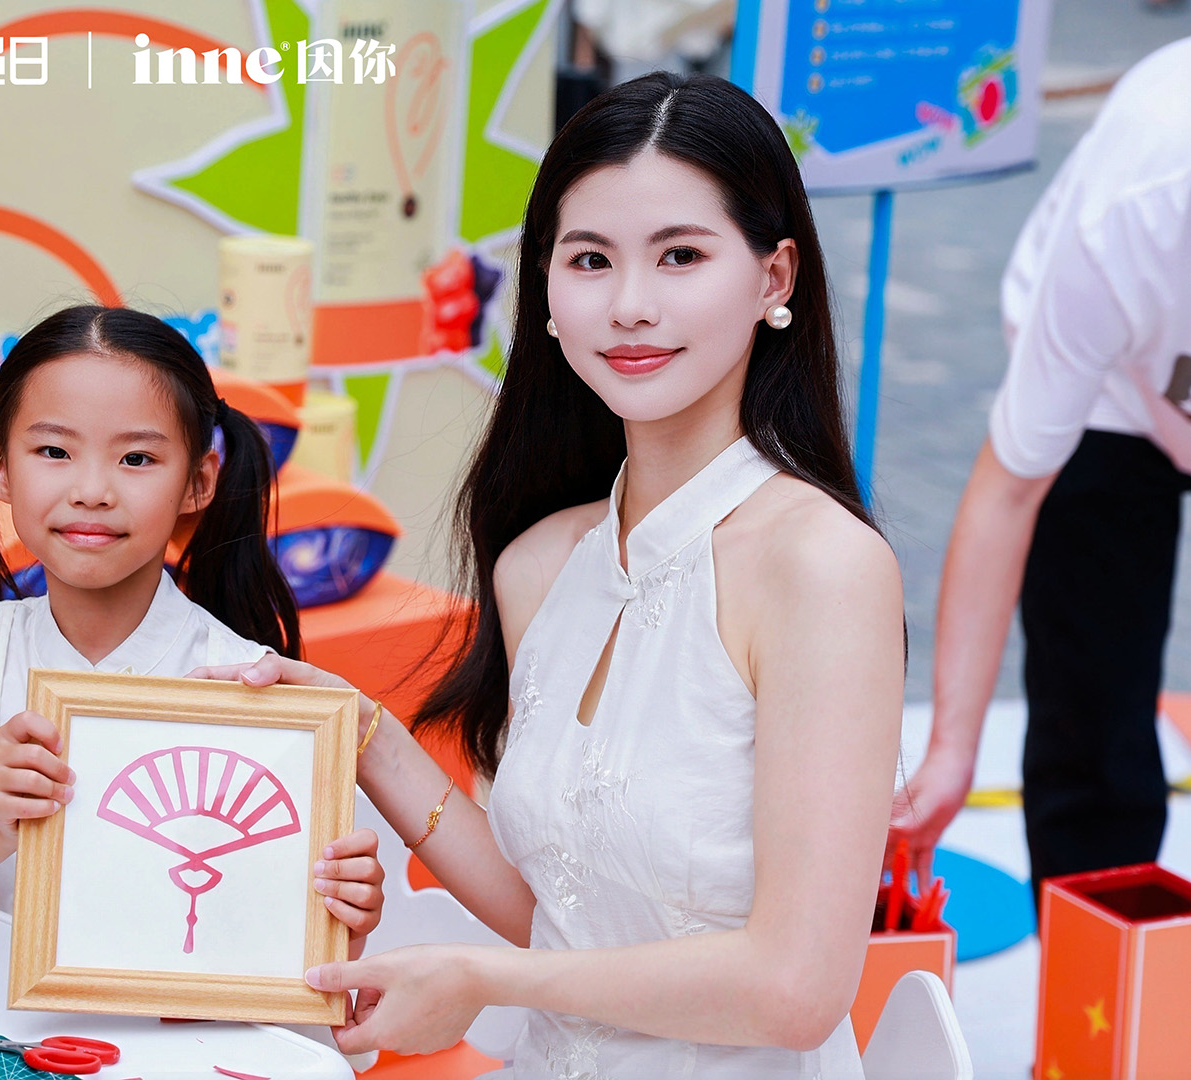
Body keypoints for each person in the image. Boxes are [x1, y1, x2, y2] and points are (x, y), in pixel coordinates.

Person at [191, 72, 905, 1076]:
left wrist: (486, 981)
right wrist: (367, 737)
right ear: (547, 293)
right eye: (589, 260)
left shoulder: (821, 567)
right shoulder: (539, 563)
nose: (629, 306)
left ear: (772, 278)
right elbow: (561, 913)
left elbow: (794, 990)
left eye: (680, 255)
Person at [0, 305, 383, 951]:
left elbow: (271, 943)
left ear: (198, 482)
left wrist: (340, 922)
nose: (92, 490)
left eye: (136, 458)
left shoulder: (247, 678)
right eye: (53, 451)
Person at [891, 37, 1191, 904]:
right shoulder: (1130, 212)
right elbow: (1007, 490)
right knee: (1093, 715)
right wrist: (951, 754)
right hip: (1115, 395)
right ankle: (1090, 956)